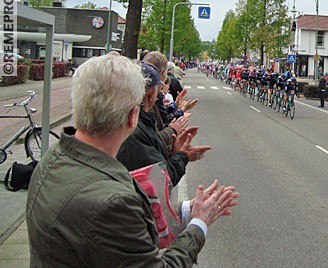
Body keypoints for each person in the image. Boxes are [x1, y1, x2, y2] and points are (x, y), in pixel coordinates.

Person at [26, 53, 239, 267]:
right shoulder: (113, 204)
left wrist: (186, 211)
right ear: (132, 116)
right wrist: (199, 224)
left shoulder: (53, 160)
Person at [117, 62, 210, 186]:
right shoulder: (133, 129)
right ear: (150, 94)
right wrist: (183, 156)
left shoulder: (137, 120)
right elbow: (161, 179)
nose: (159, 97)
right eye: (159, 91)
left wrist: (171, 152)